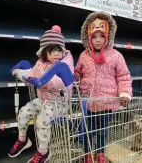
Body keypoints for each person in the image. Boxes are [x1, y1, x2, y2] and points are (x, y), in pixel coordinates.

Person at [9, 25, 74, 163]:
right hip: (42, 99)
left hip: (59, 102)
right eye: (52, 50)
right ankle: (23, 139)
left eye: (59, 50)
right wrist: (21, 73)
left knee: (41, 121)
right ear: (44, 53)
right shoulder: (40, 63)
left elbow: (59, 82)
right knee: (23, 112)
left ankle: (44, 152)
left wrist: (44, 82)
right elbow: (32, 73)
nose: (56, 54)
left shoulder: (65, 64)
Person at [74, 11, 132, 163]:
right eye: (94, 37)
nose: (98, 40)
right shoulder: (83, 56)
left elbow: (123, 76)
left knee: (102, 131)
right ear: (88, 38)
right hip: (88, 102)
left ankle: (100, 153)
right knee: (87, 131)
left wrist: (125, 93)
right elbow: (77, 73)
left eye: (101, 36)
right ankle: (87, 154)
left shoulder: (116, 56)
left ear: (108, 37)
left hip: (107, 102)